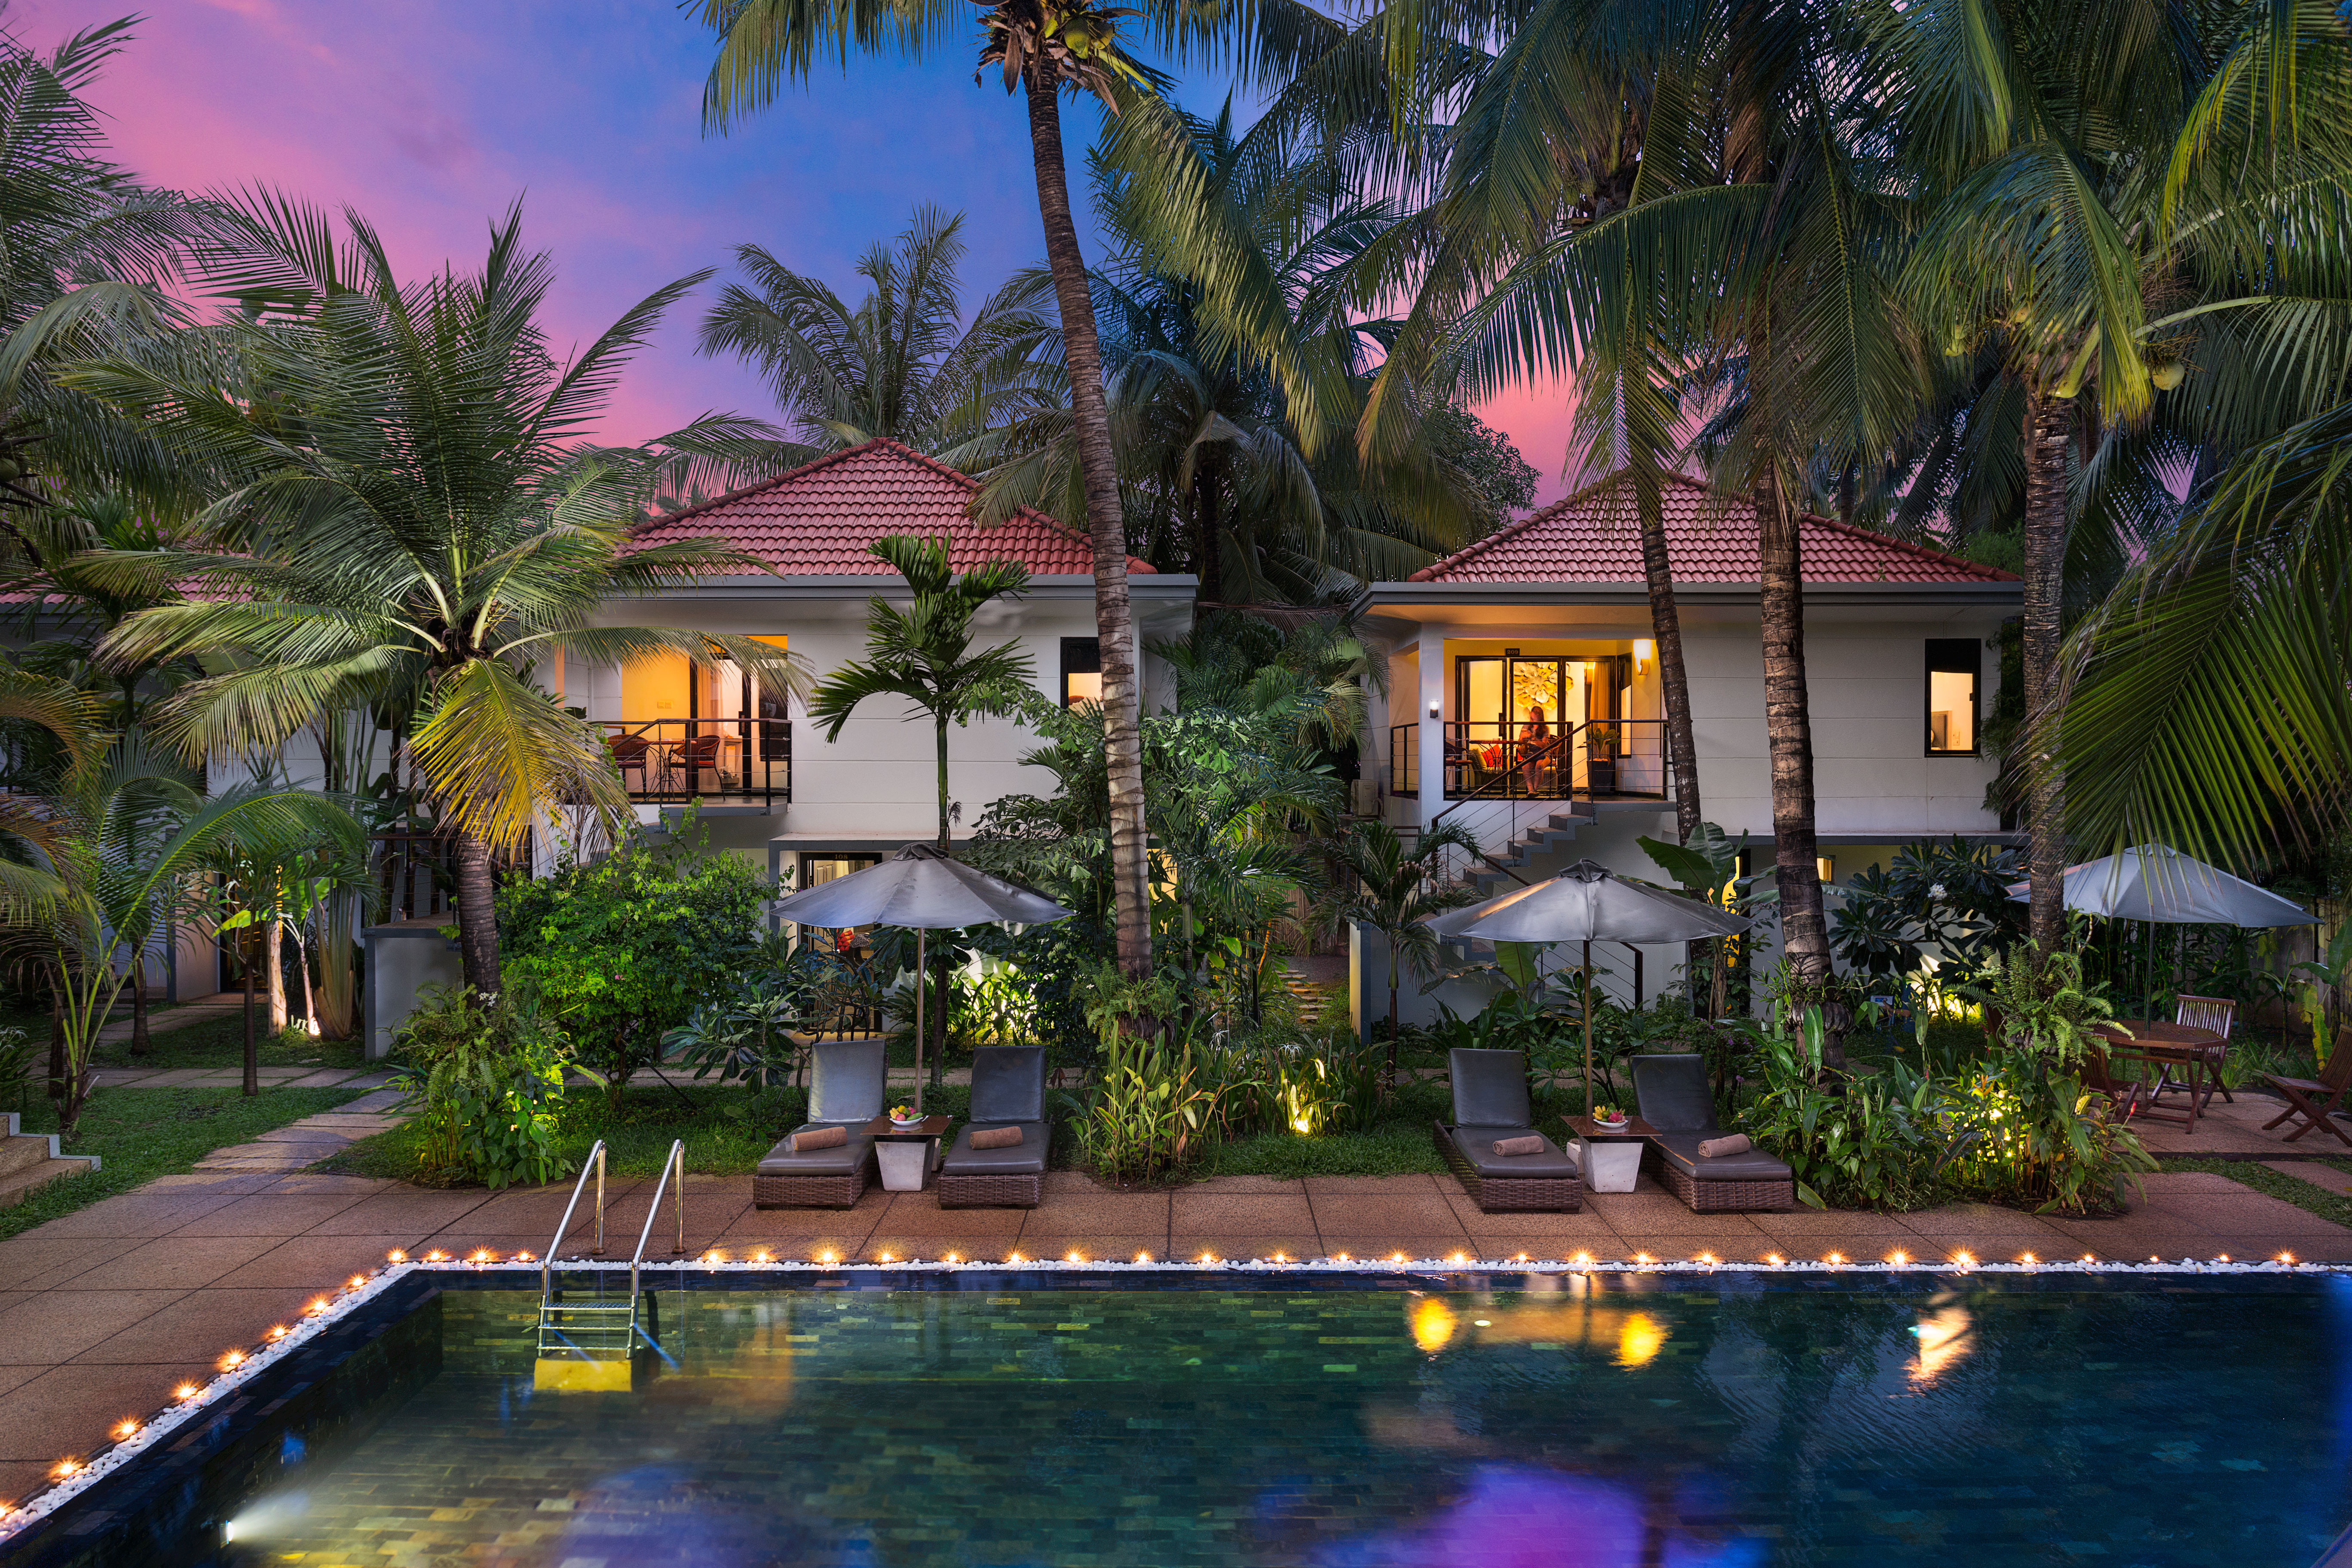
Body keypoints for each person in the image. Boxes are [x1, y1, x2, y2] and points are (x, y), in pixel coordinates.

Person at [1517, 703, 1553, 795]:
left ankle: (1535, 790)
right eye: (1530, 718)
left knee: (1539, 766)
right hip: (1531, 753)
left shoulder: (1545, 729)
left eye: (1533, 719)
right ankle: (1531, 791)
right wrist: (1523, 738)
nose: (1530, 721)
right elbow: (1520, 742)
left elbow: (1543, 746)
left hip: (1544, 753)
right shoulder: (1526, 726)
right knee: (1525, 767)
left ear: (1539, 719)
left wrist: (1532, 738)